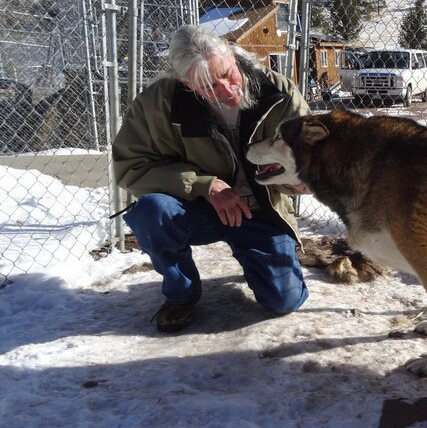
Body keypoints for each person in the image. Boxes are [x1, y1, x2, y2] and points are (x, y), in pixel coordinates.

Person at [112, 25, 310, 332]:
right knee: (153, 211)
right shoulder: (158, 103)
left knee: (284, 301)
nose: (228, 91)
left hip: (260, 209)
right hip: (198, 209)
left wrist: (300, 180)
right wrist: (204, 185)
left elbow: (305, 157)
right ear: (185, 83)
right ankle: (182, 293)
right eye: (209, 87)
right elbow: (131, 166)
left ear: (231, 54)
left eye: (228, 74)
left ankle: (262, 262)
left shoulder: (279, 93)